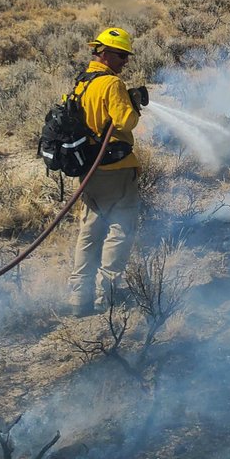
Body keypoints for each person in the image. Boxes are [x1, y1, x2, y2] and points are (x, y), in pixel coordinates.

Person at [67, 26, 145, 317]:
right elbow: (126, 122)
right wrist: (133, 103)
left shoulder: (82, 82)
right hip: (115, 170)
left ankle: (79, 297)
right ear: (105, 53)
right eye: (122, 55)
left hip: (90, 171)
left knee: (89, 230)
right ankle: (105, 295)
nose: (125, 61)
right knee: (120, 229)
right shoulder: (111, 84)